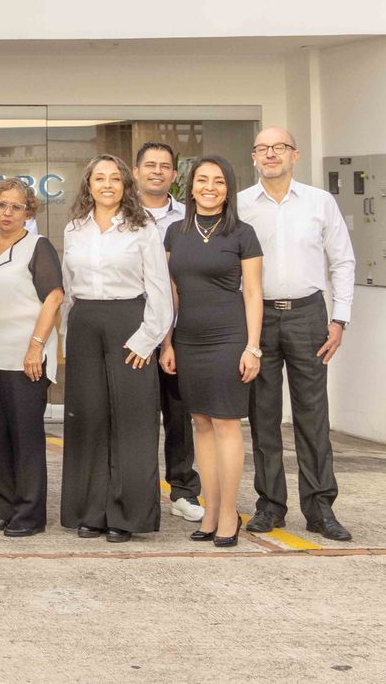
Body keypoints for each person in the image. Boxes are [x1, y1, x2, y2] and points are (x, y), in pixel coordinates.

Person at [240, 127, 355, 542]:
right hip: (258, 318)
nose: (271, 154)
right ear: (253, 156)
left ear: (294, 155)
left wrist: (339, 319)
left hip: (309, 315)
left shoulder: (319, 202)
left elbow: (343, 261)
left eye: (279, 148)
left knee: (312, 416)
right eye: (263, 148)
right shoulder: (240, 206)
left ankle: (320, 507)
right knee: (263, 416)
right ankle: (270, 504)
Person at [58, 154, 174, 542]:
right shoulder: (74, 228)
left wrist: (147, 339)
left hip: (131, 324)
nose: (106, 184)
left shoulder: (143, 228)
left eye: (114, 178)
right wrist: (64, 338)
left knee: (132, 423)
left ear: (125, 184)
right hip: (85, 325)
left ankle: (127, 516)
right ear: (88, 184)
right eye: (98, 178)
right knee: (88, 420)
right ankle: (91, 511)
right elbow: (68, 290)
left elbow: (160, 290)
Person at [163, 156, 264, 548]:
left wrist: (252, 347)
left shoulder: (243, 233)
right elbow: (171, 293)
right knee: (200, 423)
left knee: (225, 423)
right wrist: (168, 342)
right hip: (187, 339)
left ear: (228, 189)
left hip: (228, 337)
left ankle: (227, 514)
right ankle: (209, 508)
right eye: (202, 180)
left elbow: (254, 293)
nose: (209, 187)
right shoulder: (175, 232)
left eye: (218, 181)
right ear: (189, 187)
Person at [0, 178, 63, 538]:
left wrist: (36, 345)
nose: (8, 212)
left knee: (26, 438)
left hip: (25, 356)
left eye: (16, 207)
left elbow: (54, 297)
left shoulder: (37, 247)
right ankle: (4, 506)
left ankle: (29, 514)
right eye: (1, 205)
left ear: (29, 212)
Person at [134, 141, 202, 524]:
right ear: (137, 171)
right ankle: (139, 489)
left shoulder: (189, 218)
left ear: (174, 176)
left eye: (164, 166)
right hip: (134, 326)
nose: (157, 171)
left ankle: (183, 490)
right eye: (150, 165)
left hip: (179, 328)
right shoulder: (122, 214)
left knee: (179, 414)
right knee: (138, 415)